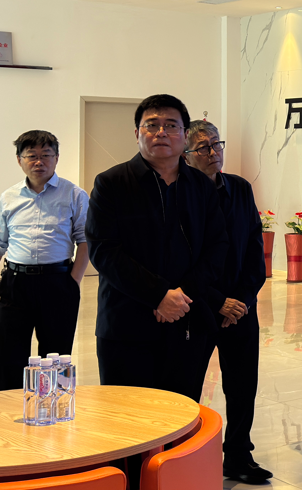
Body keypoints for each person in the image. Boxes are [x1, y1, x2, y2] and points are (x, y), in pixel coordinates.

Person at [87, 94, 229, 401]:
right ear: (137, 133)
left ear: (184, 135)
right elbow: (104, 251)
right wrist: (158, 295)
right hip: (126, 324)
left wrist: (181, 296)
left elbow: (217, 246)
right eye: (151, 125)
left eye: (171, 125)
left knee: (181, 413)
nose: (161, 132)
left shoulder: (201, 186)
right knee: (127, 416)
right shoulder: (111, 183)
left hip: (186, 320)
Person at [183, 119, 272, 485]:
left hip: (240, 309)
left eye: (216, 144)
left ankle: (238, 455)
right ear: (186, 155)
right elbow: (181, 260)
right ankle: (183, 458)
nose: (212, 152)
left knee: (242, 386)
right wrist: (218, 301)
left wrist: (243, 300)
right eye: (203, 147)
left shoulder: (239, 188)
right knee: (187, 387)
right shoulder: (179, 193)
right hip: (197, 307)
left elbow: (254, 249)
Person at [0, 130, 89, 391]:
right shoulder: (9, 197)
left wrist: (73, 281)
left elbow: (86, 240)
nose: (39, 161)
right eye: (31, 156)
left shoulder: (74, 195)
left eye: (46, 155)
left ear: (56, 158)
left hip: (58, 282)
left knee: (56, 353)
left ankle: (55, 403)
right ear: (20, 160)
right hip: (15, 283)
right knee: (7, 353)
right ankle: (10, 403)